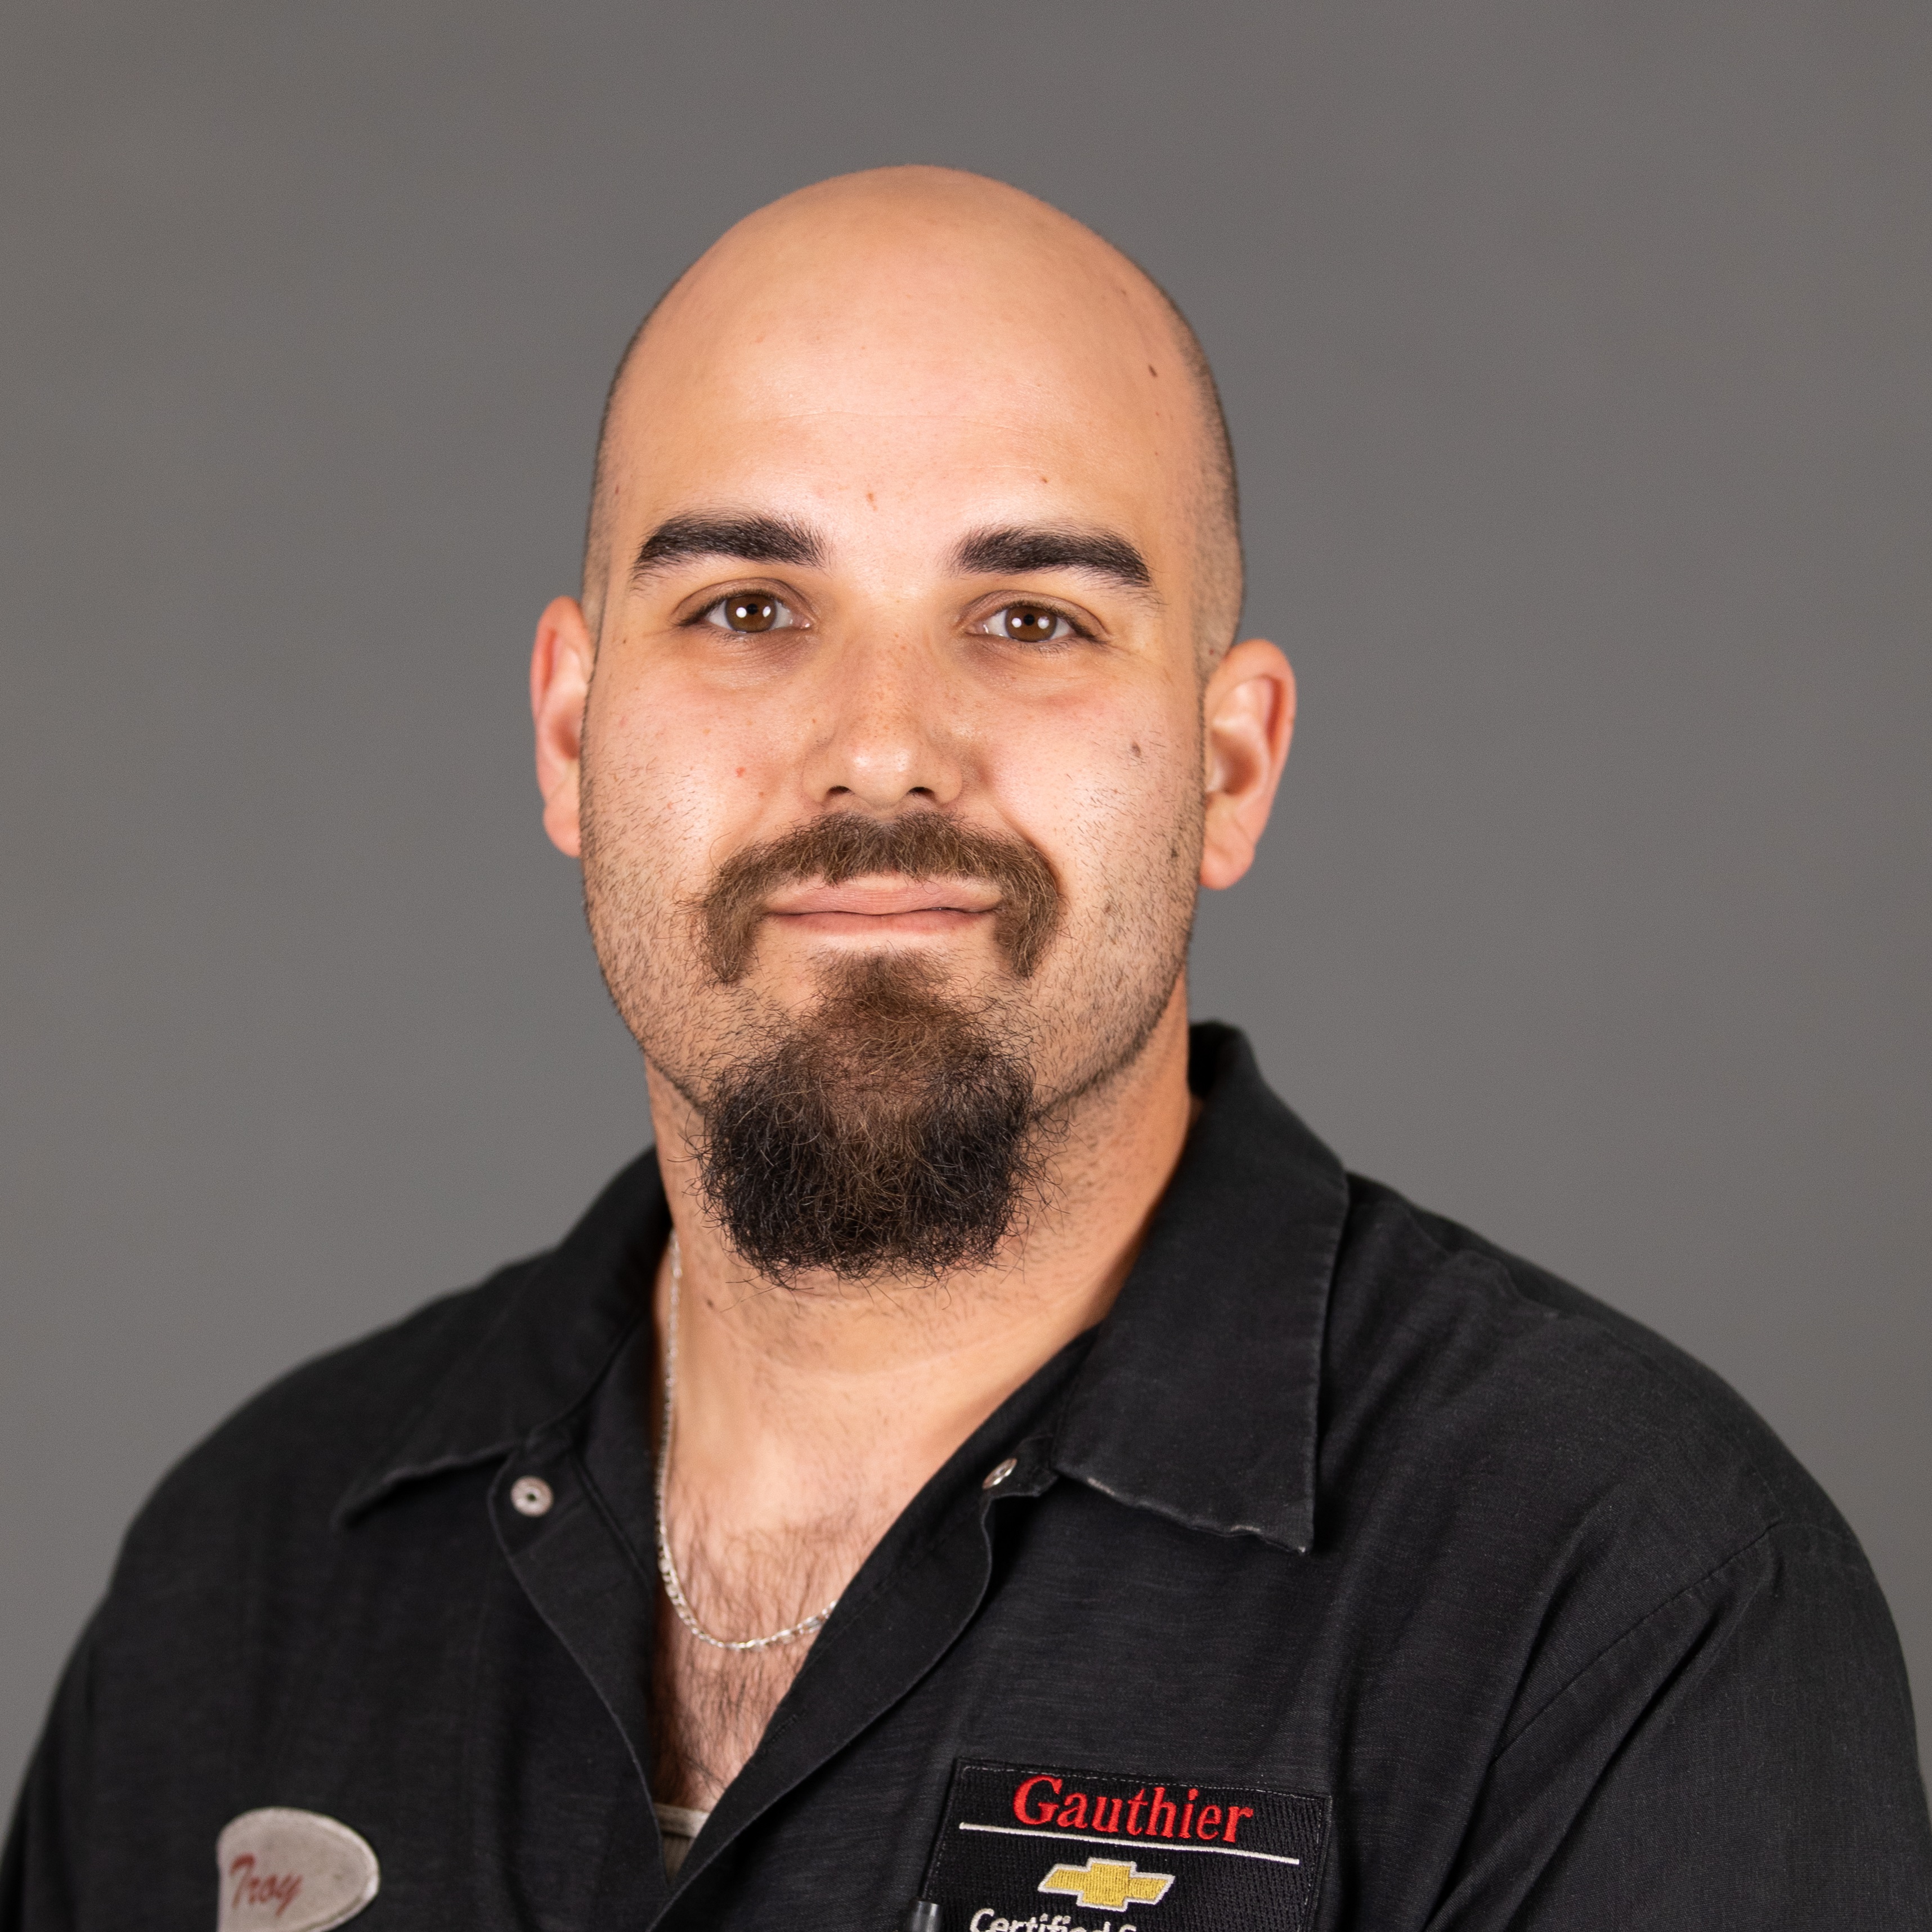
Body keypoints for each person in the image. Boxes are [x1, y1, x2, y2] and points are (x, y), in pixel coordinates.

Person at [5, 165, 1927, 1932]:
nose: (880, 746)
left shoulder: (1615, 1596)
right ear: (572, 734)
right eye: (746, 607)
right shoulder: (255, 1570)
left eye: (1029, 616)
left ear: (1228, 764)